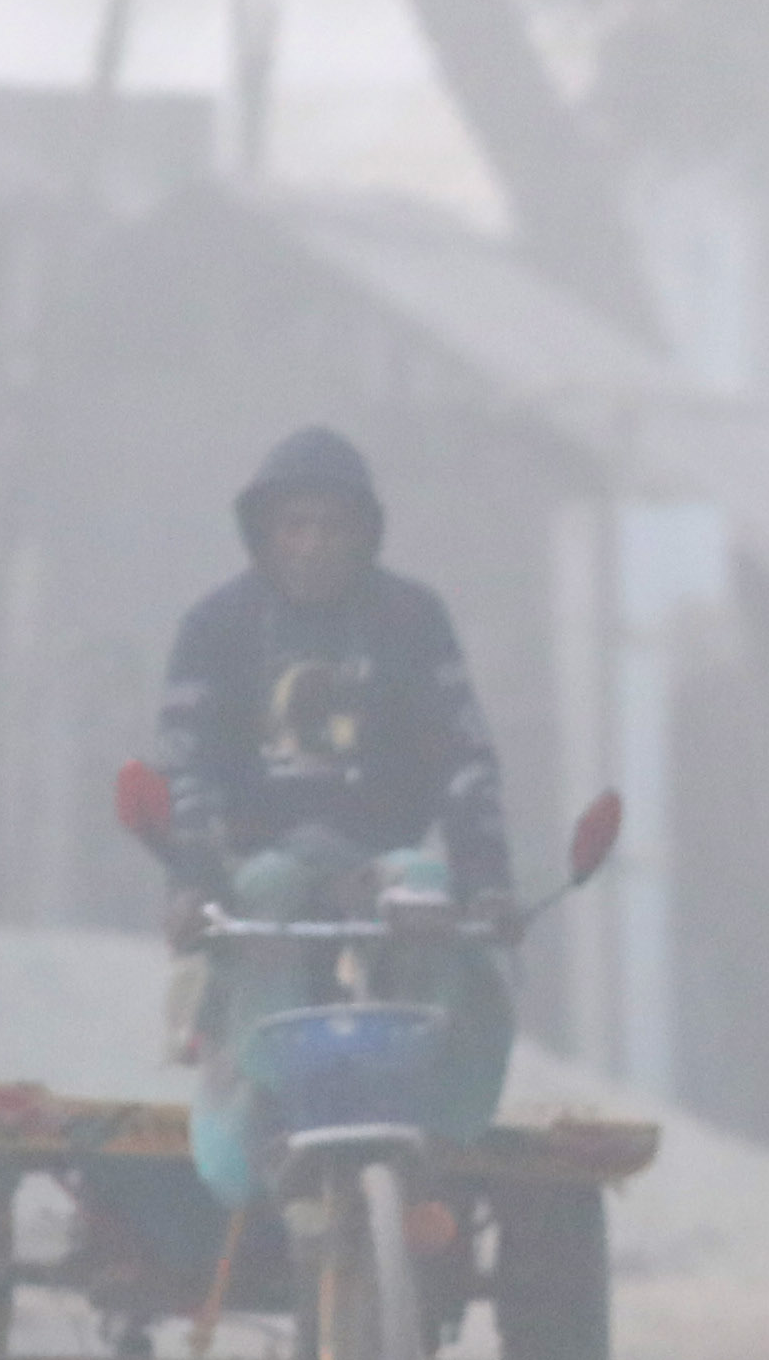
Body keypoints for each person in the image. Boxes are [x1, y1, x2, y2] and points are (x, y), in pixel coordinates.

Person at [157, 424, 520, 1194]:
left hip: (383, 866)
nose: (313, 545)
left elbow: (464, 759)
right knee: (265, 892)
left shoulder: (415, 620)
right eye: (295, 525)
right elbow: (184, 773)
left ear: (365, 534)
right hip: (262, 874)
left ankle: (428, 1128)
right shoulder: (214, 627)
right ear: (264, 531)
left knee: (425, 883)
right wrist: (192, 883)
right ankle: (264, 1120)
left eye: (333, 526)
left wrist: (487, 883)